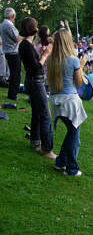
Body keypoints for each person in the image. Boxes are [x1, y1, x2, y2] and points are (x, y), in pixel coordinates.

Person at [48, 28, 87, 176]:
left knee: (72, 133)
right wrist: (81, 66)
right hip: (69, 101)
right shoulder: (73, 60)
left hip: (56, 100)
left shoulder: (51, 59)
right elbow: (78, 83)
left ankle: (60, 162)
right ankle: (71, 168)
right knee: (74, 136)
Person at [18, 17, 56, 158]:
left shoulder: (26, 44)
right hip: (35, 81)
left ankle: (35, 141)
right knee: (45, 114)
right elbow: (35, 67)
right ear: (33, 29)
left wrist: (43, 51)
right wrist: (45, 55)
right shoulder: (26, 46)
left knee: (37, 112)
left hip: (32, 80)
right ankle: (47, 149)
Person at [0, 8, 23, 100]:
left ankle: (12, 93)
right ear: (13, 16)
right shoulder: (8, 25)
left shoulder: (3, 24)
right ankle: (13, 94)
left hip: (8, 51)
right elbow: (17, 38)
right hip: (13, 52)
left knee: (14, 74)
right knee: (16, 74)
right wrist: (26, 35)